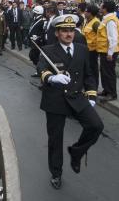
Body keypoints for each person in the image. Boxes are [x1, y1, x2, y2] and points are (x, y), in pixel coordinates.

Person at [37, 15, 104, 190]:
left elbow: (89, 74)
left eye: (71, 30)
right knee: (55, 140)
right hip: (55, 99)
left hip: (76, 97)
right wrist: (52, 78)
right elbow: (41, 69)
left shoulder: (82, 49)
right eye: (64, 31)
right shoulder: (48, 50)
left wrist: (91, 95)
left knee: (96, 126)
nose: (69, 34)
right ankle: (56, 173)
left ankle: (76, 152)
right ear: (57, 33)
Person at [97, 0, 119, 101]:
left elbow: (113, 38)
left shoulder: (110, 20)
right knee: (104, 72)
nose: (100, 8)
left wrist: (110, 53)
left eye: (101, 6)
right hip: (104, 50)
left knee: (109, 73)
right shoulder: (107, 18)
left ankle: (112, 93)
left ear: (105, 9)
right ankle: (106, 90)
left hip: (109, 52)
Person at [82, 4, 101, 88]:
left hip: (92, 51)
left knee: (93, 70)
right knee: (86, 69)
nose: (84, 13)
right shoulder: (87, 21)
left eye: (86, 11)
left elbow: (100, 37)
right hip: (86, 49)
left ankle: (94, 87)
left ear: (90, 13)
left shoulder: (96, 23)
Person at [28, 5, 46, 74]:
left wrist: (38, 37)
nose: (33, 13)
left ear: (37, 13)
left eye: (34, 12)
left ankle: (40, 70)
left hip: (38, 42)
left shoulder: (43, 21)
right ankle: (38, 70)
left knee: (34, 55)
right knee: (33, 55)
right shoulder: (36, 19)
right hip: (33, 41)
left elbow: (43, 32)